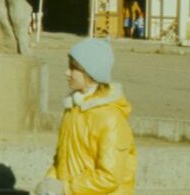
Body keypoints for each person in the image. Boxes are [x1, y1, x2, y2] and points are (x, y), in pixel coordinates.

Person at [36, 38, 137, 195]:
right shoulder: (73, 110)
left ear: (90, 72)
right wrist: (50, 180)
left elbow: (109, 176)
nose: (67, 73)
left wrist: (66, 188)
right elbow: (61, 157)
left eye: (73, 68)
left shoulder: (110, 119)